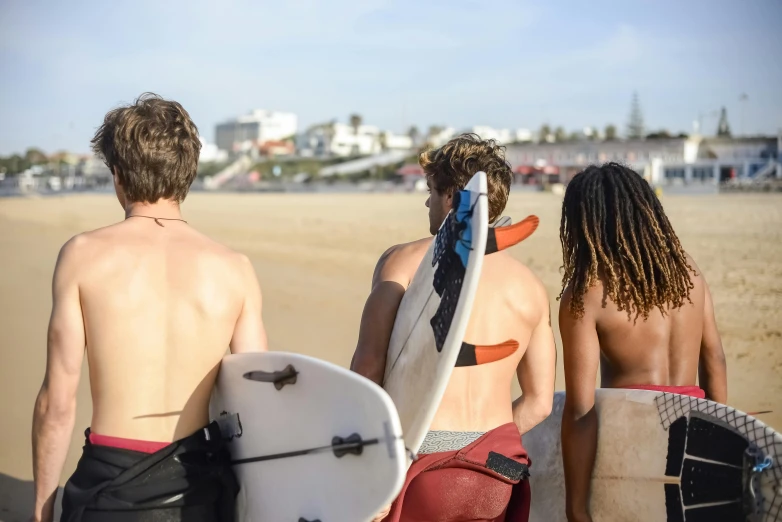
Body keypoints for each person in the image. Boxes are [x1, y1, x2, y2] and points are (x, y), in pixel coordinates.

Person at [31, 93, 267, 522]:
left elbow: (58, 401)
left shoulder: (82, 255)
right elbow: (257, 400)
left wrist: (43, 507)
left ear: (118, 175)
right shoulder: (236, 269)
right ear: (189, 173)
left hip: (107, 487)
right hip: (198, 490)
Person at [351, 133, 556, 522]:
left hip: (423, 461)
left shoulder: (403, 262)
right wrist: (476, 448)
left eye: (431, 189)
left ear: (451, 197)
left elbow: (366, 372)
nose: (427, 201)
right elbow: (540, 402)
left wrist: (366, 469)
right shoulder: (530, 286)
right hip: (499, 469)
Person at [558, 163, 727, 522]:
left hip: (630, 438)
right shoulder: (689, 275)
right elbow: (714, 362)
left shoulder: (586, 293)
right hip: (690, 434)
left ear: (584, 223)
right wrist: (716, 444)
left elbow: (580, 411)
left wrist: (576, 507)